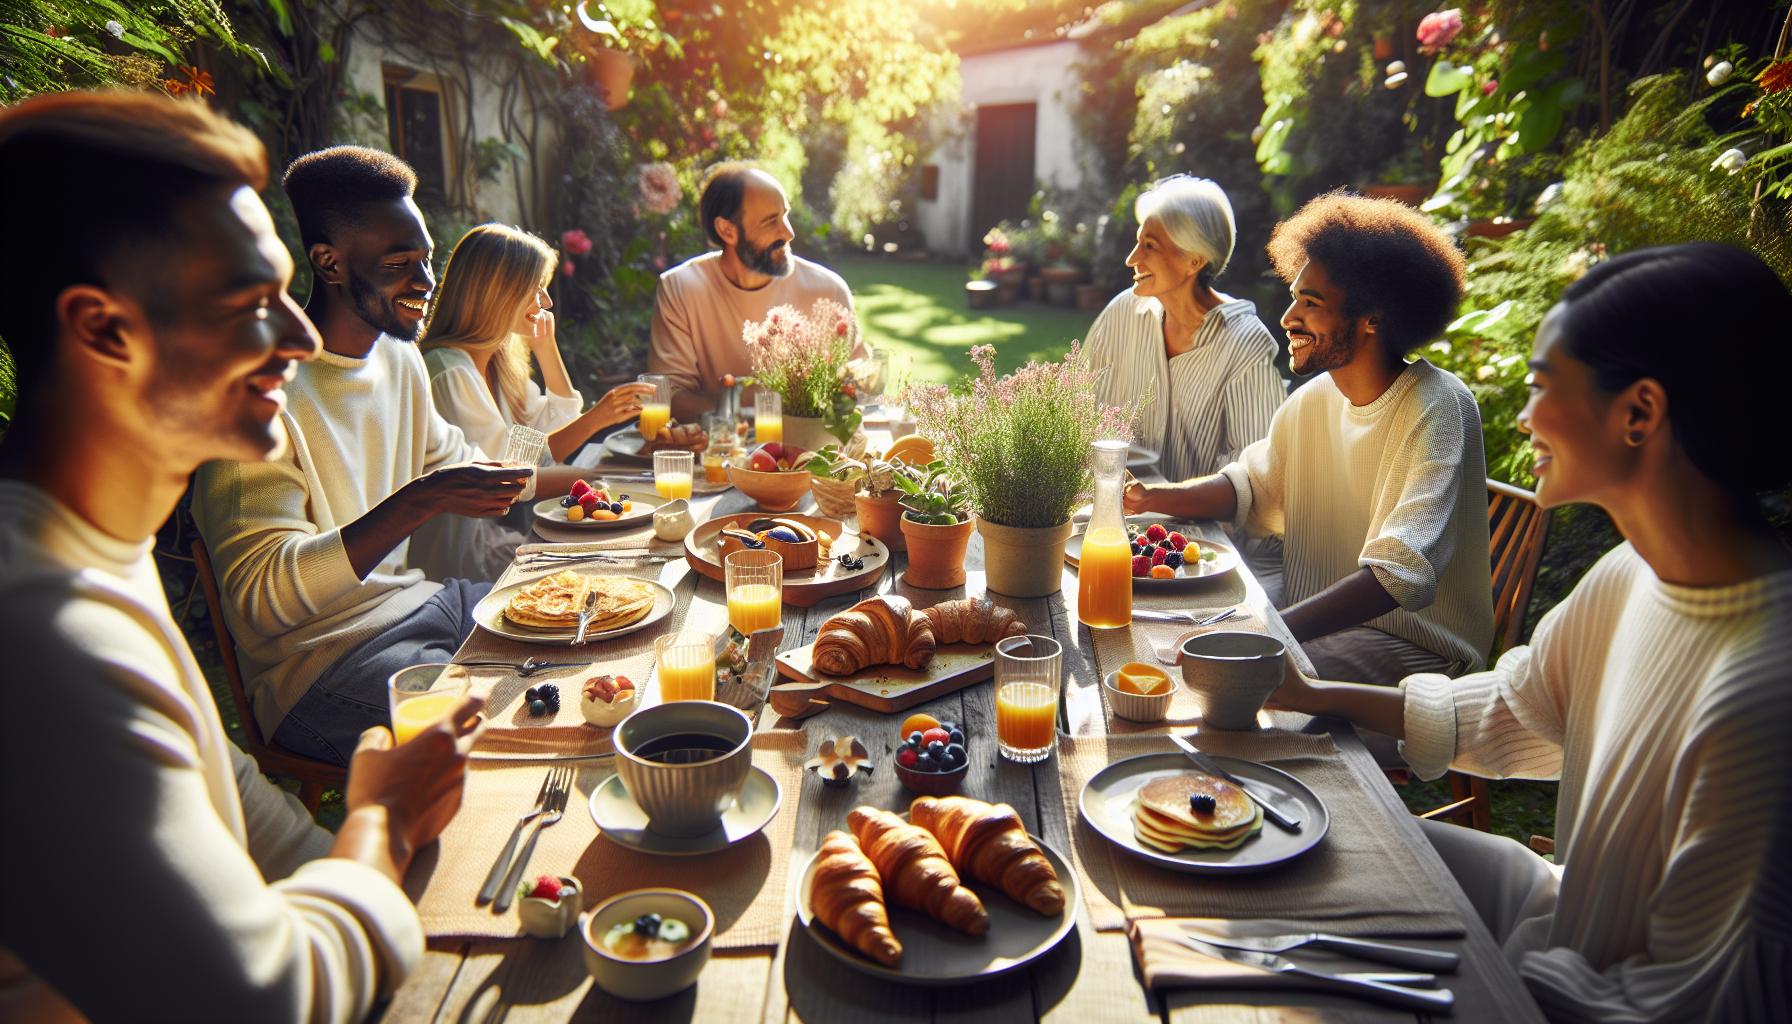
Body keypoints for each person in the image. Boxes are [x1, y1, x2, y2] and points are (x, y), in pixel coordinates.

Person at [0, 91, 485, 1021]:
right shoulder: (34, 629)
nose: (300, 338)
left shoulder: (96, 553)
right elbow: (268, 999)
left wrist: (353, 870)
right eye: (250, 303)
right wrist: (382, 823)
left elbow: (236, 800)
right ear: (103, 329)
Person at [1269, 243, 1792, 1021]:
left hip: (1575, 989)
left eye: (1543, 386)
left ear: (1639, 413)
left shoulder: (1763, 693)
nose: (1523, 416)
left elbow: (1688, 1003)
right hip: (1557, 913)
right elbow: (1515, 710)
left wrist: (1486, 979)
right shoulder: (1629, 574)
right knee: (1298, 834)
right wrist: (1307, 691)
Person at [190, 145, 528, 765]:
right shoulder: (260, 399)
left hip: (423, 603)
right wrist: (421, 501)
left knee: (568, 643)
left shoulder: (399, 359)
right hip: (321, 666)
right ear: (330, 263)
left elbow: (453, 461)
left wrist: (576, 490)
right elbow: (262, 601)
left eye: (426, 260)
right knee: (515, 730)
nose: (426, 283)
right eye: (399, 264)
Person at [1127, 192, 1493, 682]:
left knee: (1226, 676)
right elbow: (1249, 488)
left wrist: (1268, 631)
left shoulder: (1439, 406)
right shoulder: (1314, 399)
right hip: (1319, 629)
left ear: (1373, 317)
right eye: (1295, 296)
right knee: (1164, 639)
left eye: (1311, 302)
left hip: (1417, 647)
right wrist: (1149, 497)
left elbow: (1399, 575)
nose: (1288, 318)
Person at [1082, 175, 1285, 481]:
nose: (1131, 259)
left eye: (1149, 246)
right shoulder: (1122, 312)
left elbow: (1256, 475)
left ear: (1194, 261)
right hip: (1112, 507)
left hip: (1201, 516)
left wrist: (1165, 501)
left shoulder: (1246, 344)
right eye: (1138, 242)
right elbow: (1080, 409)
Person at [649, 161, 867, 422]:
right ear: (727, 230)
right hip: (717, 445)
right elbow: (670, 395)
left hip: (807, 445)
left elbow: (858, 386)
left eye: (785, 215)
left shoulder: (828, 290)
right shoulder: (680, 288)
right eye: (771, 221)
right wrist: (754, 417)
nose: (789, 233)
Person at [421, 223, 654, 464]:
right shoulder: (451, 372)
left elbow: (561, 428)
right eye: (537, 288)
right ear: (499, 292)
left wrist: (546, 347)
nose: (547, 302)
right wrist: (596, 420)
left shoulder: (499, 365)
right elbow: (506, 467)